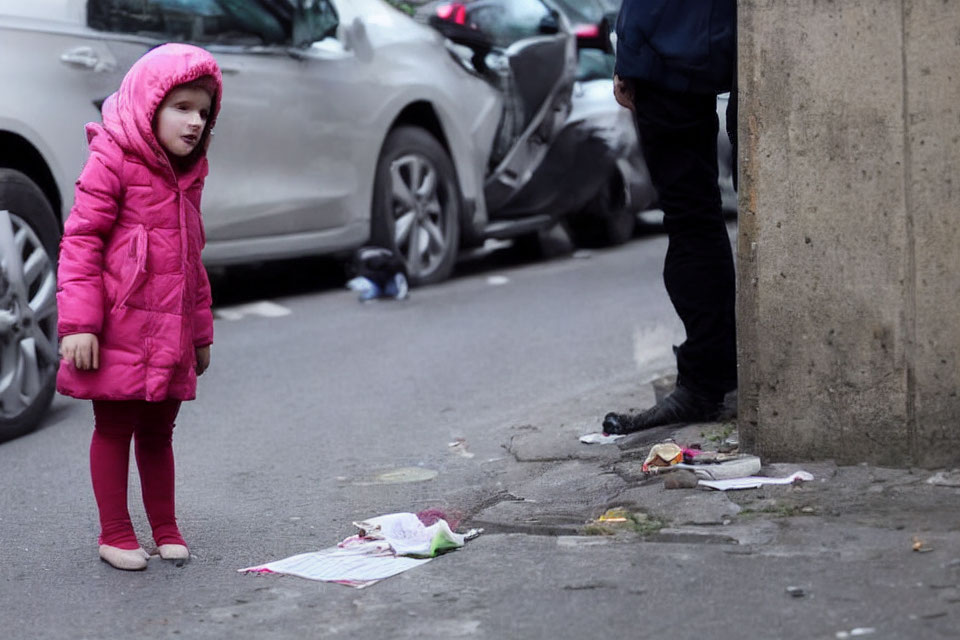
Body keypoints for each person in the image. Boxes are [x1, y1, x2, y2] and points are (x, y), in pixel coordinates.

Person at [56, 44, 222, 571]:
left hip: (169, 333)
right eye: (182, 107)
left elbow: (191, 262)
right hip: (118, 326)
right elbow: (81, 242)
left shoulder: (188, 176)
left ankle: (165, 527)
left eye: (203, 111)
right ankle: (115, 532)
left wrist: (200, 333)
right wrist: (80, 324)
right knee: (114, 426)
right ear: (148, 106)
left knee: (159, 431)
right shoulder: (112, 159)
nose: (194, 121)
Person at [603, 0, 738, 434]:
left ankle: (706, 381)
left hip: (667, 45)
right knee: (701, 218)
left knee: (691, 220)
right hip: (733, 38)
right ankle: (715, 373)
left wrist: (631, 58)